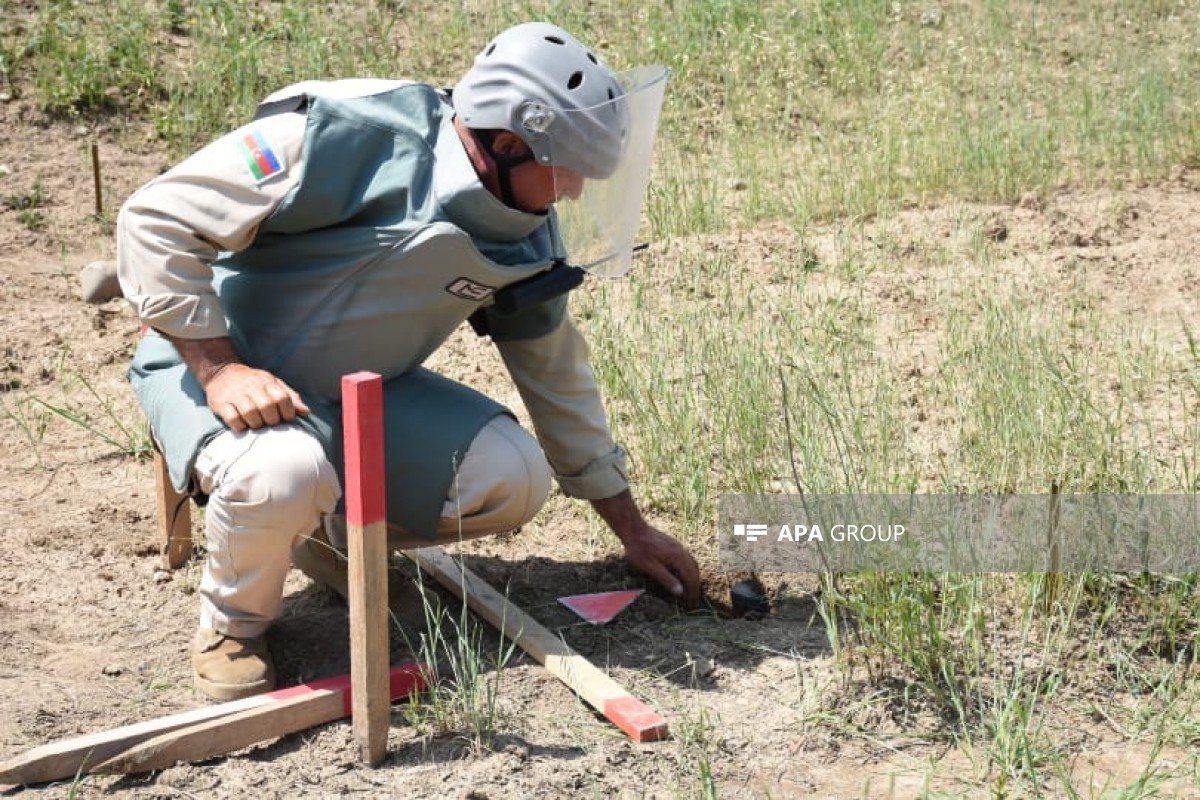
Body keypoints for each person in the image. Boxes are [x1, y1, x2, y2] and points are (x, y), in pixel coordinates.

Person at [116, 21, 701, 702]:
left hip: (356, 398)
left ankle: (323, 537)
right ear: (510, 144)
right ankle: (233, 626)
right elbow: (152, 218)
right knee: (281, 472)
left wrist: (630, 528)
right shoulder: (344, 136)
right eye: (566, 172)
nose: (572, 194)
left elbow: (555, 371)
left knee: (513, 477)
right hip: (212, 371)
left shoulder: (525, 229)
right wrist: (220, 370)